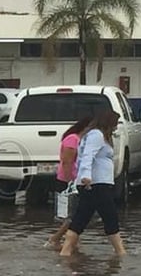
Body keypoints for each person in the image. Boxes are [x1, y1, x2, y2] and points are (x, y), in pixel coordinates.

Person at [60, 110, 127, 257]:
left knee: (81, 218)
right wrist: (86, 176)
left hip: (97, 184)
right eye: (114, 124)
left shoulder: (97, 135)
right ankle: (120, 253)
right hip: (96, 184)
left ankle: (65, 252)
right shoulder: (96, 135)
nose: (115, 127)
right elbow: (87, 156)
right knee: (110, 217)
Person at [47, 115, 92, 248]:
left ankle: (71, 240)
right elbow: (67, 162)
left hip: (75, 180)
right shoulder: (73, 139)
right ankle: (56, 238)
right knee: (73, 214)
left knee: (75, 213)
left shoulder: (80, 140)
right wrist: (69, 182)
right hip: (68, 181)